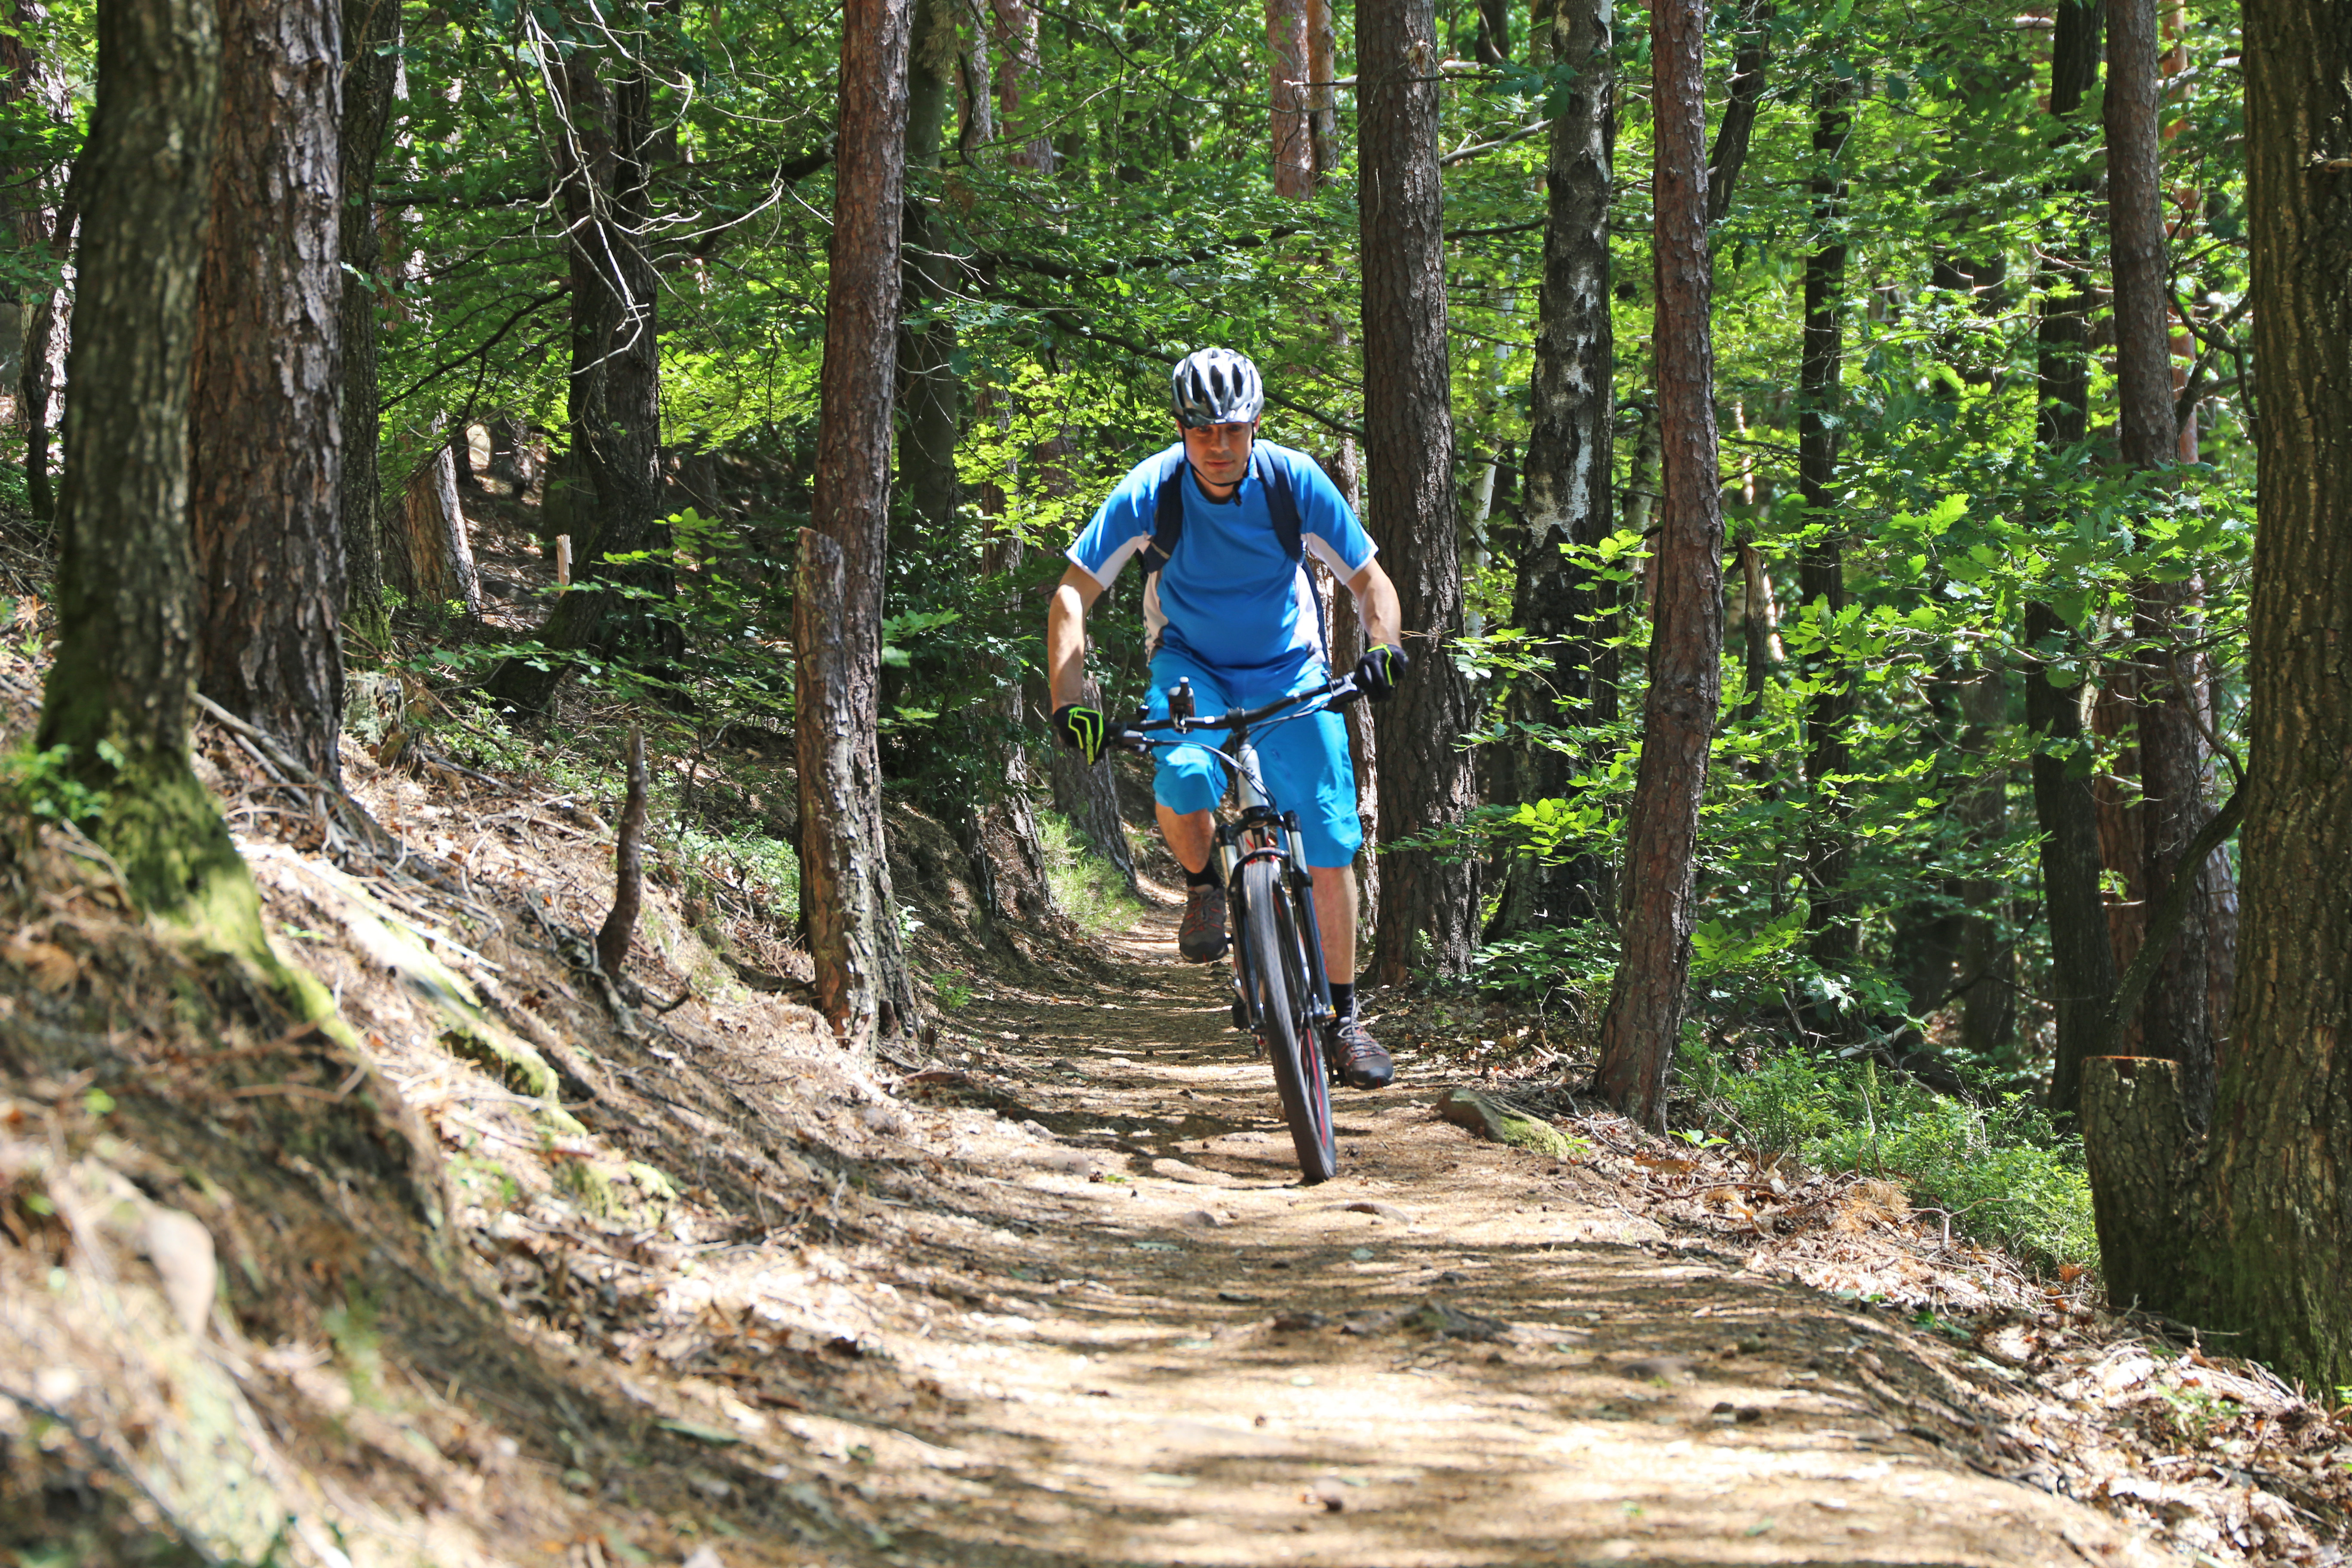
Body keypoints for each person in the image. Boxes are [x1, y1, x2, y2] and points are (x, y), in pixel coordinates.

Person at [1042, 347, 1409, 1091]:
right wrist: (1068, 702)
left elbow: (1371, 581)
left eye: (1233, 429)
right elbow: (1072, 596)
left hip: (1291, 670)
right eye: (1202, 430)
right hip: (1192, 667)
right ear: (1182, 428)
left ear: (1256, 425)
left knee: (1329, 841)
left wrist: (1384, 647)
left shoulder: (1293, 481)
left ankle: (1343, 1020)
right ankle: (1205, 887)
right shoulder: (1153, 490)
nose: (1218, 445)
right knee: (1181, 778)